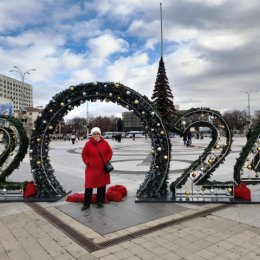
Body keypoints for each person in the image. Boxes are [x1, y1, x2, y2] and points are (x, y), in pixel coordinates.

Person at [81, 127, 113, 210]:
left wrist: (107, 159)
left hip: (102, 168)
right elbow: (84, 154)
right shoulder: (88, 144)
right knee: (89, 186)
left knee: (101, 185)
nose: (96, 135)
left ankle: (100, 202)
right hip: (91, 168)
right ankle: (86, 204)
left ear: (100, 134)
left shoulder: (105, 143)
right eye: (94, 133)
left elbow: (110, 152)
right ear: (92, 135)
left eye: (97, 133)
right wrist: (88, 162)